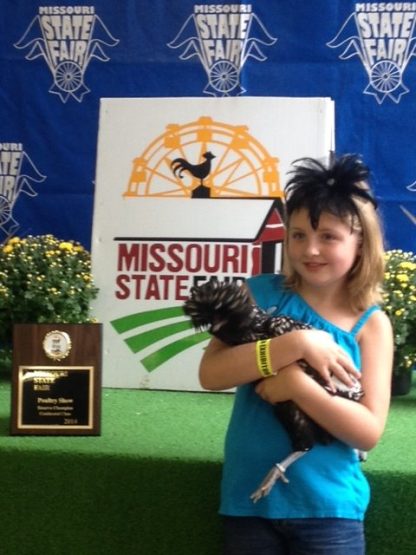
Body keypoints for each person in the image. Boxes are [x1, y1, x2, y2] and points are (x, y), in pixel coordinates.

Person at [199, 154, 393, 555]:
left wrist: (297, 387)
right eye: (299, 235)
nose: (311, 249)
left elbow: (368, 430)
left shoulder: (371, 325)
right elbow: (211, 373)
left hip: (330, 508)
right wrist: (295, 345)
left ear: (360, 242)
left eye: (328, 236)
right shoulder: (257, 293)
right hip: (248, 500)